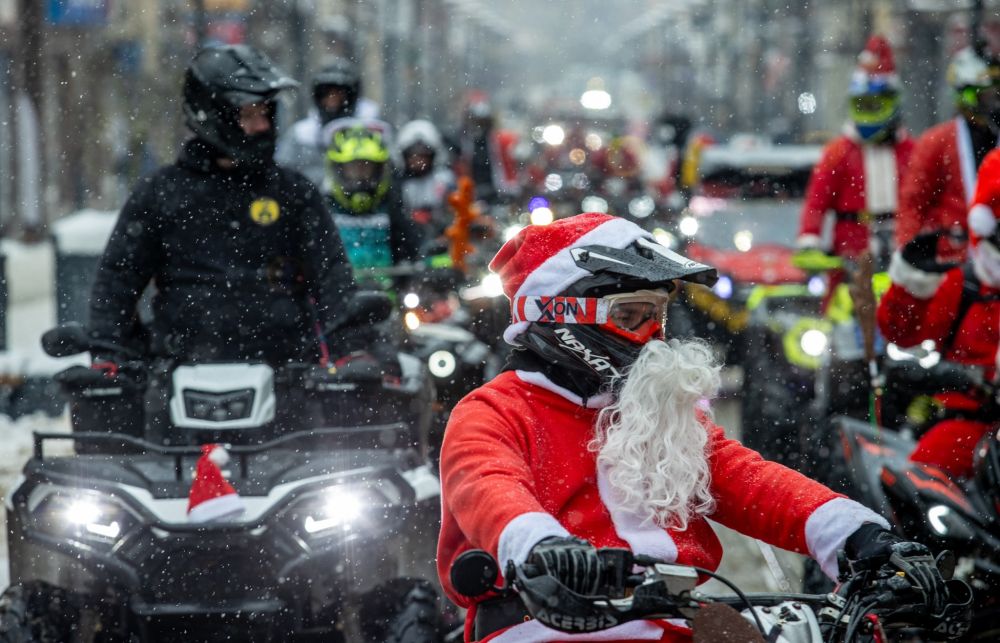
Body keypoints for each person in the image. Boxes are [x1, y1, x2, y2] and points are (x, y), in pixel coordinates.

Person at [437, 212, 949, 641]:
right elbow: (488, 487)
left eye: (658, 317)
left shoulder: (657, 410)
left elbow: (746, 479)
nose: (653, 337)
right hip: (546, 624)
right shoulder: (493, 411)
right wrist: (540, 546)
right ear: (561, 314)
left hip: (677, 617)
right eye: (631, 316)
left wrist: (855, 534)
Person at [89, 44, 357, 366]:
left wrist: (352, 352)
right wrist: (109, 355)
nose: (262, 126)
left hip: (286, 374)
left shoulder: (294, 194)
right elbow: (117, 281)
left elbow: (332, 278)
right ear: (211, 115)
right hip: (178, 371)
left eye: (265, 113)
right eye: (248, 115)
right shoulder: (161, 194)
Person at [878, 146, 1000, 479]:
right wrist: (910, 284)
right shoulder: (967, 285)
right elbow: (901, 333)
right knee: (918, 482)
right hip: (972, 425)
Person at [796, 35, 913, 276]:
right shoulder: (838, 153)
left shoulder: (912, 152)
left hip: (904, 260)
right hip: (850, 260)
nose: (867, 114)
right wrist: (809, 240)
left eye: (874, 106)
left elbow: (927, 200)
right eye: (861, 105)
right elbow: (816, 202)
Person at [894, 46, 1000, 262]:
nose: (994, 103)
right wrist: (911, 256)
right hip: (951, 261)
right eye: (986, 96)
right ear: (965, 95)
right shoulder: (936, 142)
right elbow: (913, 203)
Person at [325, 125, 421, 277]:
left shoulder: (391, 204)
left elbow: (412, 248)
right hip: (341, 288)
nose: (360, 177)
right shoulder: (326, 207)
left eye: (366, 169)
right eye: (353, 169)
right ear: (339, 170)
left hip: (390, 287)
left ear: (379, 170)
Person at [274, 56, 379, 187]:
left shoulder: (372, 130)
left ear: (351, 96)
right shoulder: (301, 136)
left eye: (339, 93)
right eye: (326, 93)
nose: (332, 100)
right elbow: (282, 173)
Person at [395, 119, 457, 246]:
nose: (418, 161)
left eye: (423, 155)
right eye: (413, 155)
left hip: (443, 242)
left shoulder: (445, 180)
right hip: (408, 244)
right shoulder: (397, 185)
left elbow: (455, 211)